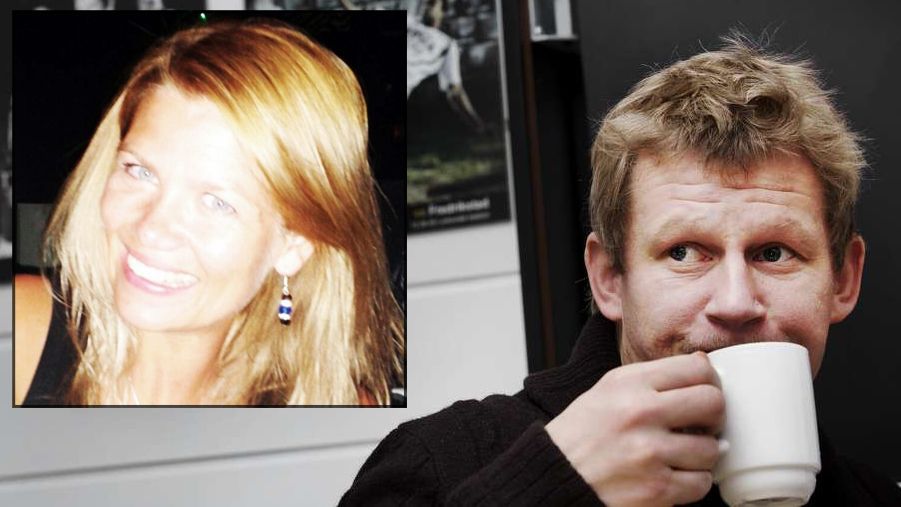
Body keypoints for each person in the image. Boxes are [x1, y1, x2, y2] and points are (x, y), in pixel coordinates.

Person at [340, 36, 901, 505]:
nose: (735, 303)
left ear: (843, 280)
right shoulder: (442, 464)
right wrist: (556, 484)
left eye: (774, 253)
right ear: (609, 279)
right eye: (684, 252)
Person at [14, 19, 404, 406]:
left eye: (216, 202)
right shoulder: (21, 334)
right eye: (140, 171)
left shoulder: (337, 408)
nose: (151, 229)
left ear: (293, 244)